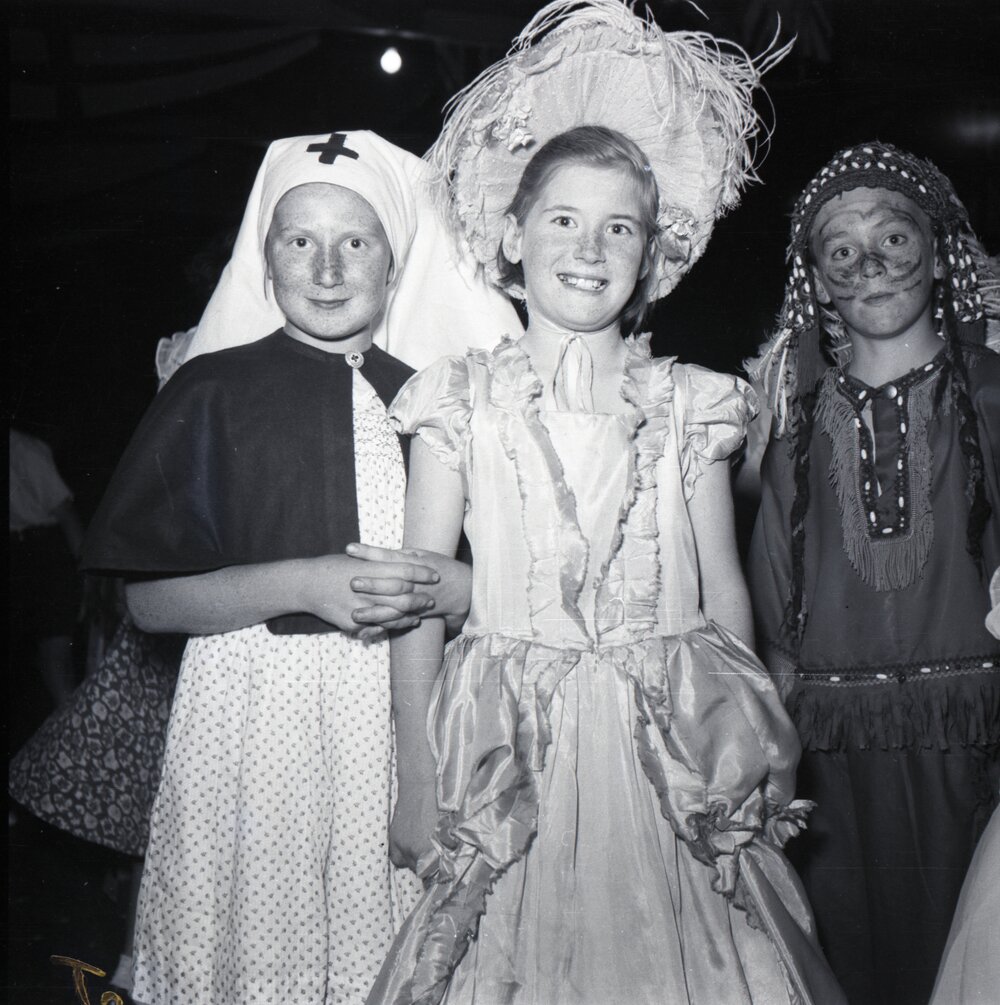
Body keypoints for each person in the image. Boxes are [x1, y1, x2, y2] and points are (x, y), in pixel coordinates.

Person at [367, 4, 843, 1003]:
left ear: (651, 255)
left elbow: (719, 601)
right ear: (513, 233)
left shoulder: (687, 404)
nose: (588, 248)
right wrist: (415, 776)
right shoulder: (458, 401)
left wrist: (745, 750)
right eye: (563, 220)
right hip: (511, 747)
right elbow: (415, 601)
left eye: (618, 226)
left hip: (668, 749)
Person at [80, 131, 519, 1005]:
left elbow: (502, 579)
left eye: (355, 242)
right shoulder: (209, 391)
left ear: (394, 266)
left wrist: (453, 588)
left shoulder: (438, 400)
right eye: (300, 241)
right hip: (248, 714)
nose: (327, 267)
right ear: (265, 260)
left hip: (403, 714)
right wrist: (304, 583)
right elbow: (150, 604)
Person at [747, 141, 1000, 1005]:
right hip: (831, 762)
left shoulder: (997, 394)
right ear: (817, 281)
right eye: (841, 251)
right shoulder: (793, 425)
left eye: (894, 240)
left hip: (976, 743)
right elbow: (772, 613)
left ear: (936, 251)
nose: (871, 267)